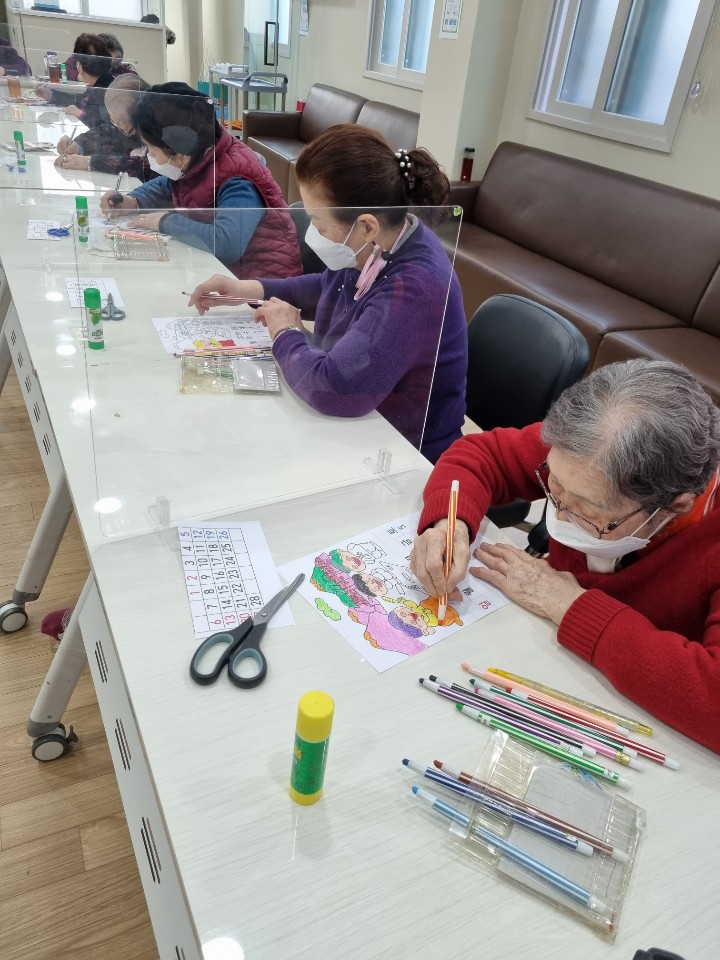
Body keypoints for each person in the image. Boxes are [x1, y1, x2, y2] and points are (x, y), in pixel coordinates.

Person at [410, 359, 720, 753]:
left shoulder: (645, 470)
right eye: (553, 488)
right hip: (539, 655)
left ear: (674, 506)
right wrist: (449, 523)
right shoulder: (588, 448)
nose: (557, 516)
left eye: (587, 512)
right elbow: (481, 455)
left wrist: (570, 605)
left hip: (625, 723)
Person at [188, 124, 468, 462]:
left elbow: (335, 388)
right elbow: (327, 285)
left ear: (367, 226)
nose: (314, 233)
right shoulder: (383, 239)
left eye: (320, 225)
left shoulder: (416, 287)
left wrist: (285, 333)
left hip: (408, 452)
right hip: (365, 424)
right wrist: (249, 289)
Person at [99, 82, 302, 279]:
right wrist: (133, 200)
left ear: (179, 150)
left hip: (263, 286)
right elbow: (170, 185)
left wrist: (165, 222)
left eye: (152, 149)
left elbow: (227, 244)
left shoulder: (238, 181)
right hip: (223, 272)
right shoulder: (201, 155)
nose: (149, 155)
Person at [55, 73, 156, 180]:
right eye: (114, 122)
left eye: (121, 124)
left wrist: (91, 162)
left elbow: (144, 166)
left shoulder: (158, 135)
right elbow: (109, 132)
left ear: (139, 118)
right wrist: (80, 144)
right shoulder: (124, 126)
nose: (119, 128)